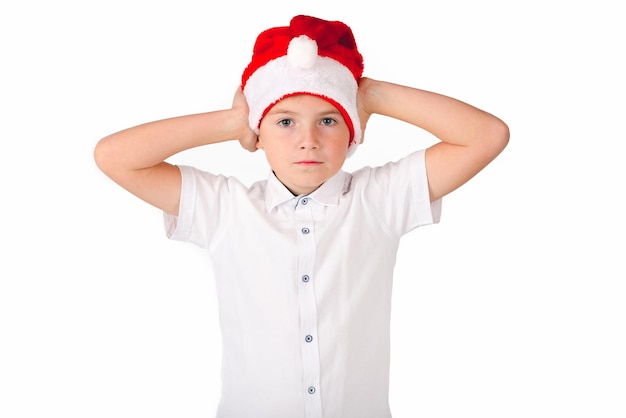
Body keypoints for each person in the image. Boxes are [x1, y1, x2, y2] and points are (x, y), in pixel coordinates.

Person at [94, 14, 509, 418]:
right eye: (285, 122)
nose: (308, 141)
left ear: (352, 132)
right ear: (259, 134)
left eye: (328, 120)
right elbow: (115, 157)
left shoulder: (379, 200)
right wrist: (233, 121)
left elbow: (486, 136)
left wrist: (369, 95)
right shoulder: (224, 209)